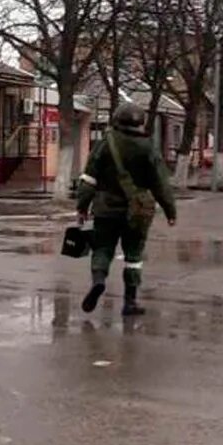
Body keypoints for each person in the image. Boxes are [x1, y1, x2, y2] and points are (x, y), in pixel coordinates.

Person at [76, 103, 178, 317]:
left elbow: (88, 180)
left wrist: (82, 207)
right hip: (137, 212)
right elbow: (160, 183)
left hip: (105, 209)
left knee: (102, 249)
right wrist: (170, 211)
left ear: (116, 120)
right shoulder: (148, 147)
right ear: (141, 123)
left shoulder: (105, 143)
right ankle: (130, 302)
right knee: (134, 255)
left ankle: (99, 282)